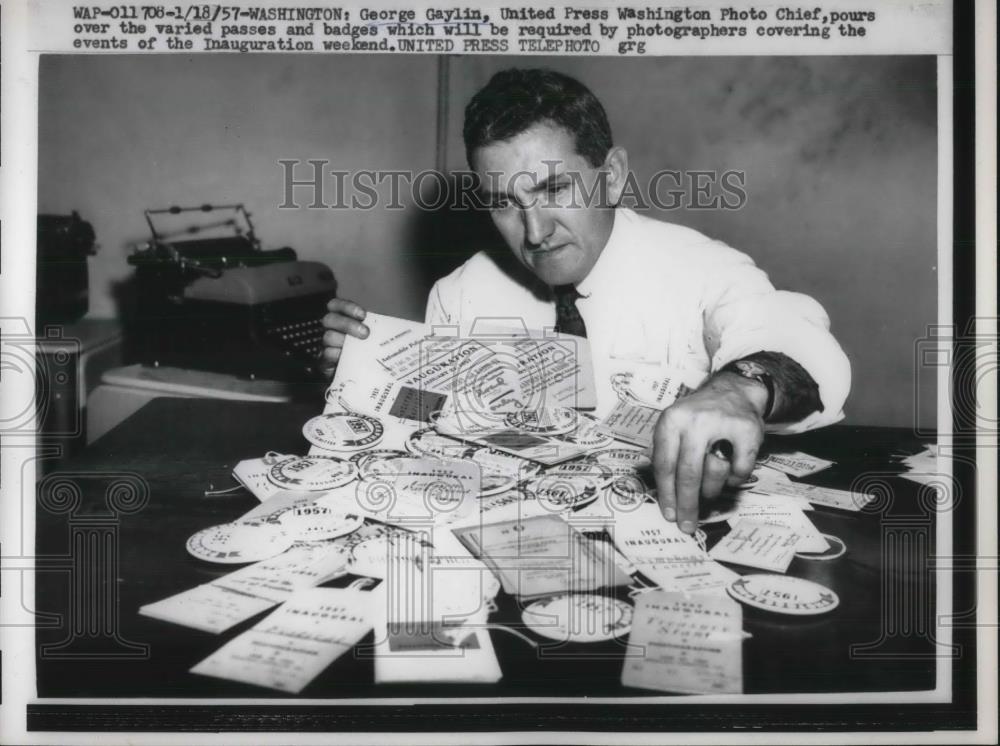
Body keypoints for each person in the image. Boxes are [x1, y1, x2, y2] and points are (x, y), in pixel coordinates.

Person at [321, 68, 851, 535]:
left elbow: (795, 337)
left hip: (677, 533)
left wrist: (743, 385)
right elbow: (436, 425)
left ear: (613, 176)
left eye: (554, 190)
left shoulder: (703, 269)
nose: (534, 231)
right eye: (505, 203)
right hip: (520, 543)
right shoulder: (460, 293)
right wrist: (364, 377)